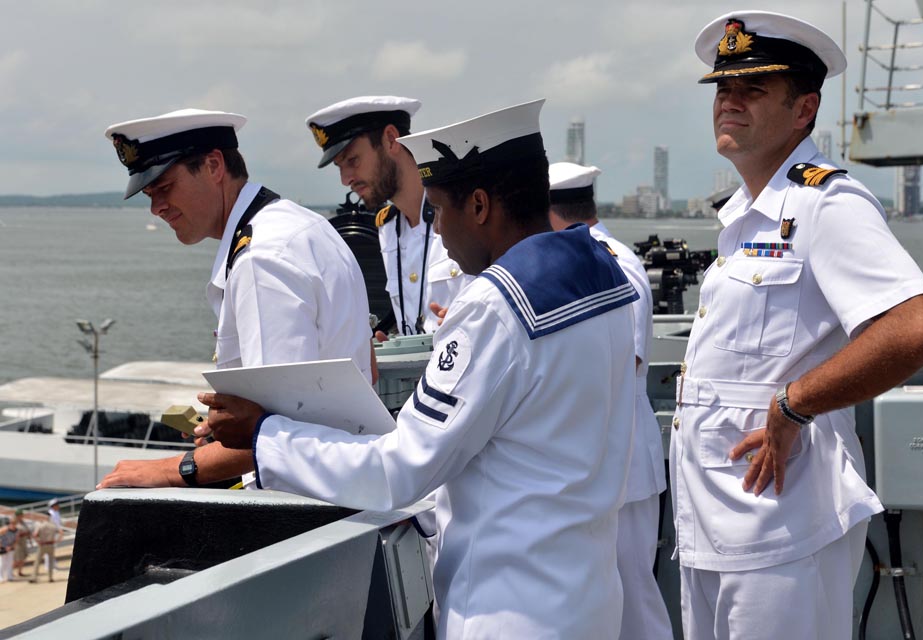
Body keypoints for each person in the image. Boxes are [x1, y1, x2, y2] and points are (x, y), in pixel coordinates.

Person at [198, 100, 638, 638]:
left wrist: (264, 436)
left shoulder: (493, 307)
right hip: (589, 596)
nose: (442, 234)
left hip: (509, 609)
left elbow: (398, 470)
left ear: (479, 205)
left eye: (440, 209)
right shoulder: (605, 272)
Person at [673, 11, 923, 639]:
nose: (729, 103)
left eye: (752, 90)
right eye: (722, 89)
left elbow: (919, 329)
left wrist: (794, 405)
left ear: (804, 110)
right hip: (715, 526)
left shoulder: (826, 204)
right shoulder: (746, 219)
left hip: (782, 532)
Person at [98, 108, 372, 490]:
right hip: (343, 482)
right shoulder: (298, 225)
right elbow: (363, 375)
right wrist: (225, 430)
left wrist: (172, 469)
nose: (156, 208)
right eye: (149, 194)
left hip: (307, 503)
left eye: (164, 188)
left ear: (213, 166)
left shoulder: (261, 260)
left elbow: (282, 430)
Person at [548, 161, 672, 640]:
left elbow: (625, 367)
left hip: (621, 472)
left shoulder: (612, 263)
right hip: (591, 467)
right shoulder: (582, 259)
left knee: (635, 604)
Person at [306, 96, 469, 338]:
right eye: (340, 167)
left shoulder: (462, 213)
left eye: (353, 160)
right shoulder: (388, 228)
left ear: (391, 139)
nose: (345, 179)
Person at [12, 509, 32, 578]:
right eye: (20, 515)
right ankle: (10, 572)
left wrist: (29, 537)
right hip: (18, 544)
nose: (22, 516)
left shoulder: (23, 522)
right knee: (17, 559)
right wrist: (24, 533)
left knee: (23, 558)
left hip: (24, 542)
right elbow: (14, 534)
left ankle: (19, 572)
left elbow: (27, 531)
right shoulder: (14, 523)